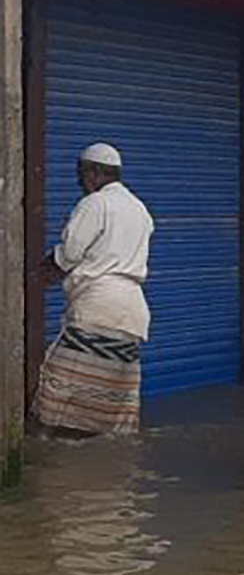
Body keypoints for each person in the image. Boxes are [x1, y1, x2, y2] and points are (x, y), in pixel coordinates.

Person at [33, 143, 153, 436]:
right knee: (111, 407)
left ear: (95, 172)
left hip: (98, 309)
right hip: (133, 313)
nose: (79, 182)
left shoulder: (95, 204)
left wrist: (42, 271)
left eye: (81, 174)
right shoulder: (139, 209)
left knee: (58, 398)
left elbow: (71, 252)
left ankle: (61, 469)